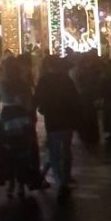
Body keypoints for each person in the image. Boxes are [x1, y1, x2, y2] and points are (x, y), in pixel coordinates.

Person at [0, 55, 40, 197]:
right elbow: (29, 102)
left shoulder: (1, 84)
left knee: (7, 151)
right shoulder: (23, 84)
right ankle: (21, 183)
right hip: (22, 119)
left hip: (7, 119)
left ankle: (11, 182)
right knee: (22, 151)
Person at [35, 55, 80, 201]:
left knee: (54, 152)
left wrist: (38, 109)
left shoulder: (44, 81)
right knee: (66, 150)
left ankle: (60, 180)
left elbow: (37, 99)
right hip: (67, 120)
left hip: (53, 120)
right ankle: (65, 177)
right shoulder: (66, 80)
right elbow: (75, 99)